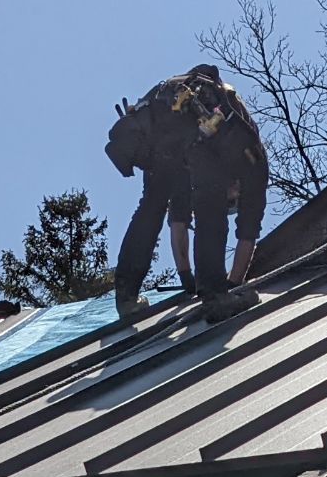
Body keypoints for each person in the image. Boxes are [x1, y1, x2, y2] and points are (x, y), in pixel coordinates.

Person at [104, 63, 269, 320]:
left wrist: (186, 278)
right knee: (208, 202)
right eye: (232, 200)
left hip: (161, 130)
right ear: (237, 189)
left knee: (152, 204)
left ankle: (126, 297)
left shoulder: (190, 167)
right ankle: (215, 298)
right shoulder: (253, 165)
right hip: (196, 127)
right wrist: (232, 286)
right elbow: (247, 235)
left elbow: (178, 222)